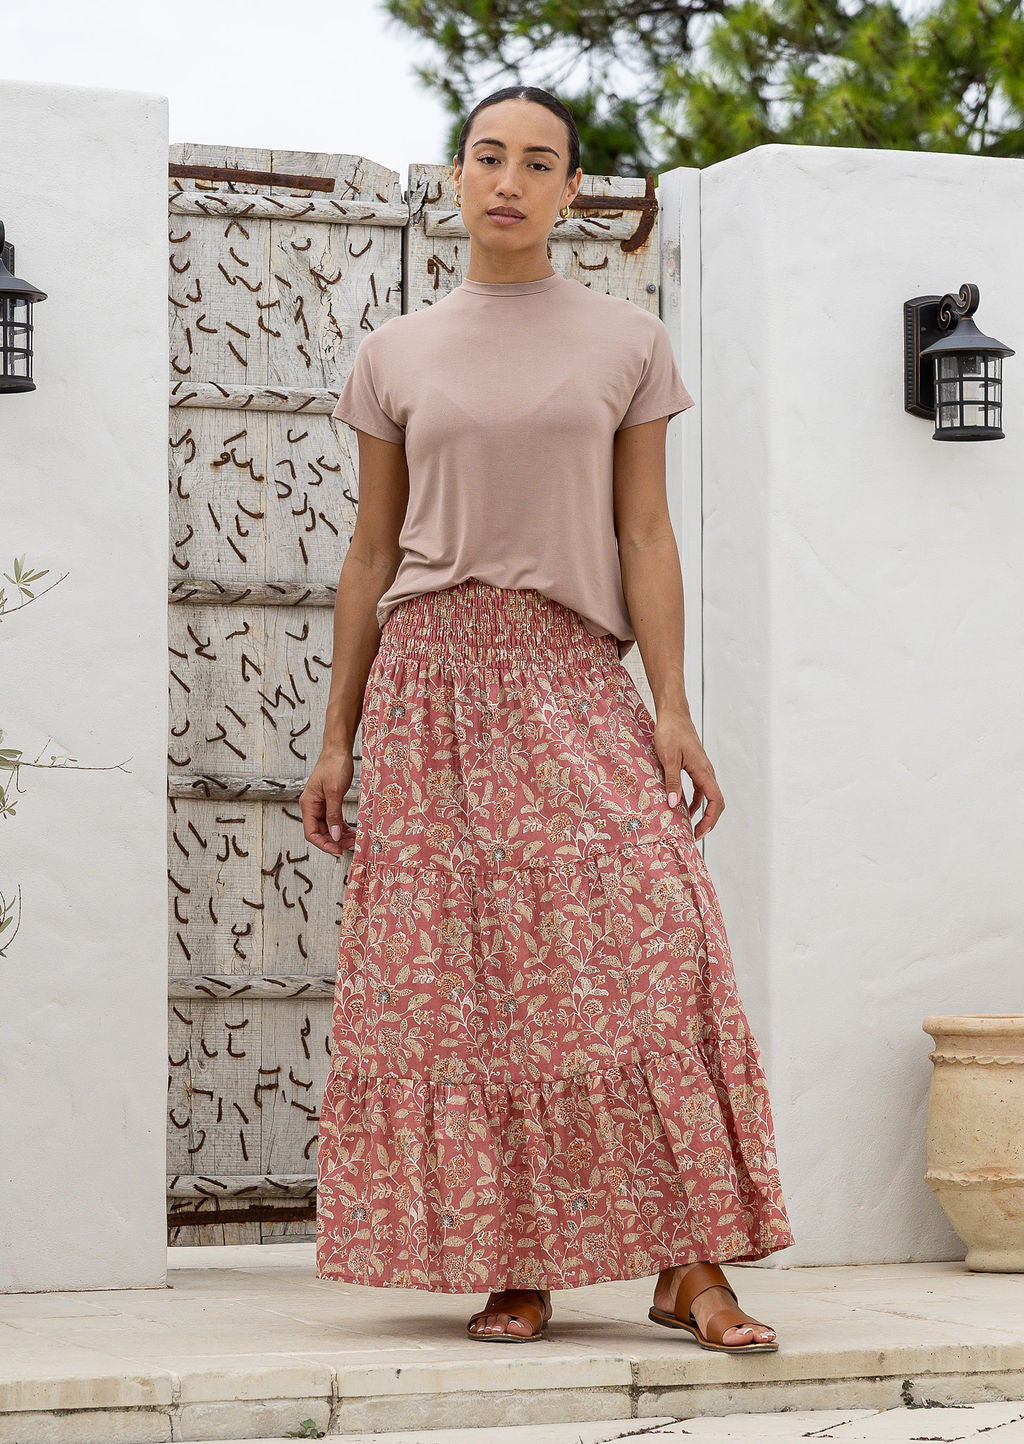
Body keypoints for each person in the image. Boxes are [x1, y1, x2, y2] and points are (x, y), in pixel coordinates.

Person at [301, 85, 795, 1351]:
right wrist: (337, 730)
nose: (509, 180)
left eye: (538, 163)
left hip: (573, 671)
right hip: (431, 683)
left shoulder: (624, 340)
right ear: (454, 178)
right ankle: (510, 1262)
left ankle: (691, 1266)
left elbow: (643, 529)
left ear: (572, 191)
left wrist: (672, 706)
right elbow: (368, 549)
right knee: (465, 982)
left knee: (648, 939)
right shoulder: (393, 354)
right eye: (487, 157)